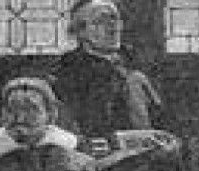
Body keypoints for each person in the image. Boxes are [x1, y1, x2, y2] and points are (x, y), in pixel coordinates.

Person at [52, 0, 162, 140]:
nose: (113, 26)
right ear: (80, 32)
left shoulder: (136, 69)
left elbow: (160, 119)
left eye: (115, 19)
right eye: (101, 21)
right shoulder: (67, 73)